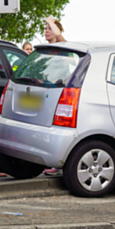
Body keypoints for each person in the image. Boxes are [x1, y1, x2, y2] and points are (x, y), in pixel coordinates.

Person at [44, 16, 67, 175]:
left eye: (49, 28)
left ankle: (58, 166)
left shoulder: (62, 45)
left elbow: (59, 34)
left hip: (58, 90)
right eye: (45, 28)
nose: (46, 31)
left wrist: (50, 20)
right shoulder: (46, 50)